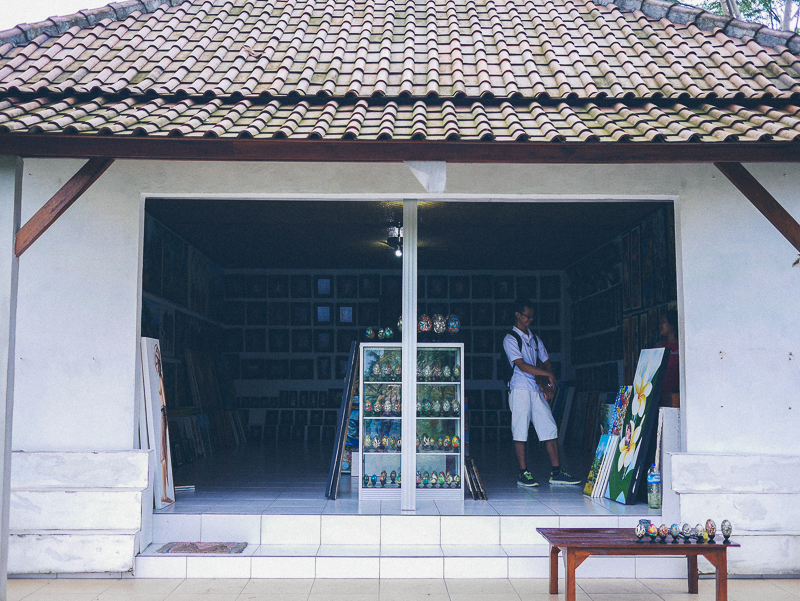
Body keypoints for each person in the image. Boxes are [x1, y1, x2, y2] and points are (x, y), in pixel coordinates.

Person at [503, 299, 580, 487]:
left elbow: (545, 361)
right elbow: (521, 365)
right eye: (527, 316)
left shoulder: (535, 339)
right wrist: (547, 374)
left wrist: (546, 383)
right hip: (520, 388)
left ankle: (556, 471)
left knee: (549, 427)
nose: (530, 319)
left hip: (536, 388)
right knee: (520, 431)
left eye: (532, 316)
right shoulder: (510, 338)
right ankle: (523, 473)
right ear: (517, 315)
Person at [657, 309, 679, 399]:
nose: (660, 326)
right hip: (659, 396)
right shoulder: (658, 347)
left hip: (677, 396)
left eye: (663, 322)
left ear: (672, 325)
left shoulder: (683, 347)